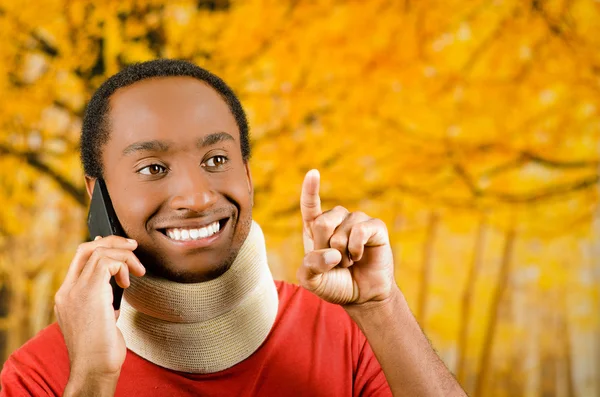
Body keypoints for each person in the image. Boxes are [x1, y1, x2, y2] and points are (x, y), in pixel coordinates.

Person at [0, 59, 466, 396]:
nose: (198, 196)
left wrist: (383, 308)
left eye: (216, 159)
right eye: (152, 168)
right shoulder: (41, 374)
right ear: (95, 193)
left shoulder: (348, 332)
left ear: (246, 172)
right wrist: (94, 379)